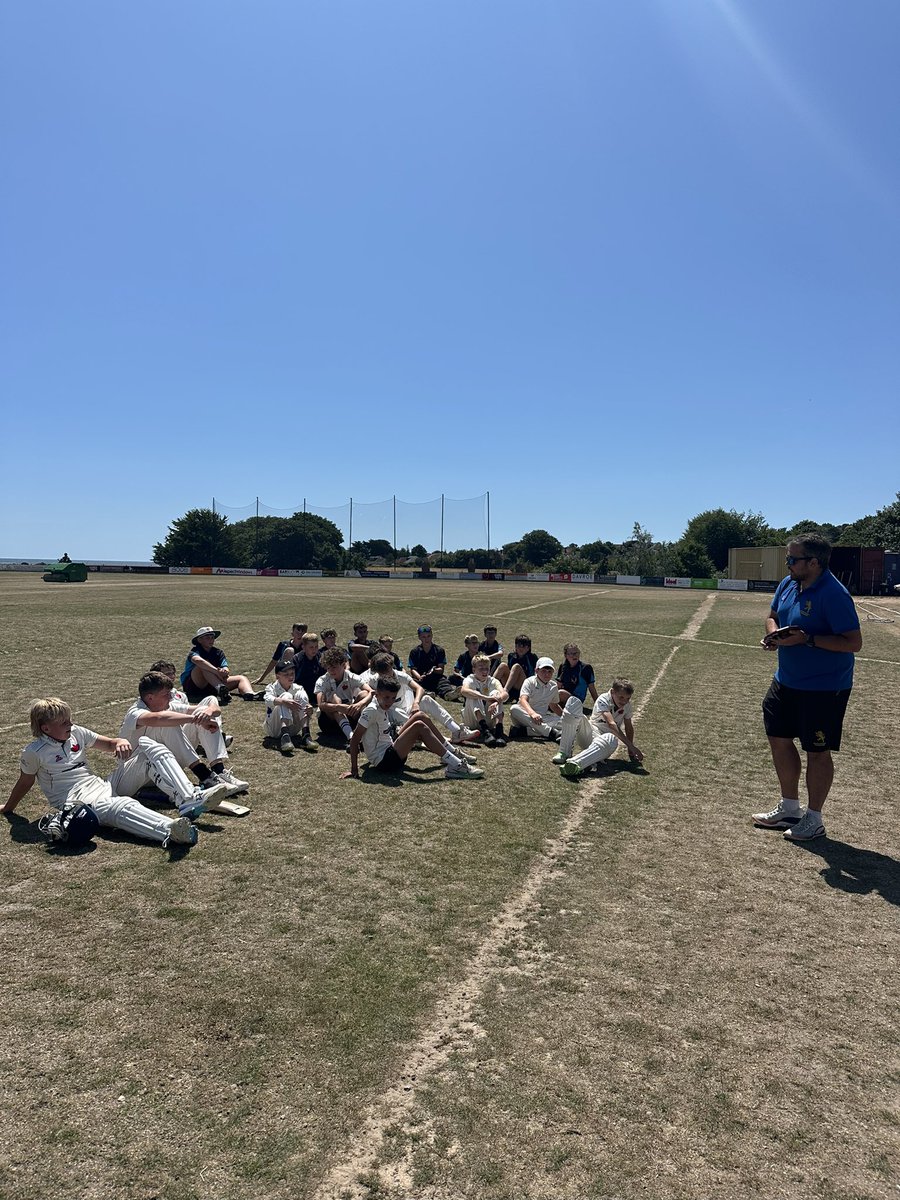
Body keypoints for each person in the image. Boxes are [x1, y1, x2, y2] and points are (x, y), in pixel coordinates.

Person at [753, 534, 862, 842]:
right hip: (785, 680)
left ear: (814, 563)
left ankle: (814, 818)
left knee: (817, 750)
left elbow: (853, 642)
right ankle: (789, 807)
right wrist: (773, 635)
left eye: (792, 559)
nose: (787, 564)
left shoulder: (834, 594)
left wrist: (808, 639)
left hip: (824, 689)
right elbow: (772, 616)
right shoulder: (789, 584)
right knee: (779, 739)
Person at [1, 698, 212, 848]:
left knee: (150, 747)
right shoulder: (33, 752)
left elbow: (109, 743)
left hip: (105, 784)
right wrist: (9, 808)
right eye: (64, 722)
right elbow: (24, 782)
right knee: (121, 805)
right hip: (78, 802)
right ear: (45, 728)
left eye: (69, 719)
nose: (71, 724)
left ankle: (188, 799)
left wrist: (120, 742)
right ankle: (172, 831)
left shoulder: (77, 733)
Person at [115, 672, 249, 804]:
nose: (171, 698)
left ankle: (218, 771)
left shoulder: (165, 705)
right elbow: (159, 719)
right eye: (166, 695)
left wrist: (207, 713)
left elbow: (212, 706)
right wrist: (196, 719)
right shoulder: (135, 712)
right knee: (169, 722)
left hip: (165, 763)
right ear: (150, 698)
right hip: (140, 772)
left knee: (208, 703)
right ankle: (205, 776)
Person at [342, 679, 483, 781]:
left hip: (391, 747)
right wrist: (354, 770)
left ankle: (453, 753)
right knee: (419, 727)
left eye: (392, 698)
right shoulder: (371, 710)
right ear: (376, 693)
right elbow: (355, 739)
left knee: (419, 715)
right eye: (386, 697)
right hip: (385, 761)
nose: (389, 701)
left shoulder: (380, 704)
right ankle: (456, 766)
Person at [361, 651, 479, 746]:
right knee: (394, 711)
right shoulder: (374, 680)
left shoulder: (400, 676)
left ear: (392, 666)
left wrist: (416, 703)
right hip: (390, 717)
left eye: (387, 671)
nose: (386, 675)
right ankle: (437, 739)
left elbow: (419, 689)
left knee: (426, 699)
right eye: (382, 673)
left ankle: (457, 731)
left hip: (406, 709)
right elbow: (360, 684)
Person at [559, 678, 643, 776]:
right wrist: (631, 747)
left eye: (628, 698)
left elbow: (629, 727)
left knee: (611, 738)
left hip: (605, 743)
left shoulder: (627, 706)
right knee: (573, 704)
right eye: (621, 697)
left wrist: (630, 748)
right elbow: (611, 724)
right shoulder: (603, 699)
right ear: (612, 692)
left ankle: (575, 763)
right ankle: (564, 752)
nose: (624, 701)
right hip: (589, 734)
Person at [149, 660, 235, 754]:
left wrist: (207, 713)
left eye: (172, 673)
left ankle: (216, 731)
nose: (171, 676)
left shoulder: (180, 695)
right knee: (202, 712)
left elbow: (189, 712)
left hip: (186, 732)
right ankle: (216, 738)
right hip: (170, 735)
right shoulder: (153, 697)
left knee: (211, 700)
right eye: (167, 674)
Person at [181, 627, 264, 705]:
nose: (211, 640)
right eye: (207, 638)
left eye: (212, 637)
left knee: (241, 678)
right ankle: (220, 689)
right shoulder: (194, 651)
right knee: (203, 666)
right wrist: (217, 672)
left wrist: (224, 671)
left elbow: (225, 666)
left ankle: (250, 694)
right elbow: (197, 660)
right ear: (199, 640)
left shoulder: (218, 652)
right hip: (194, 685)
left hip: (212, 684)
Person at [314, 648, 372, 743]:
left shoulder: (351, 677)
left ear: (343, 664)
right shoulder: (322, 680)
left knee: (364, 694)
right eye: (328, 667)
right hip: (328, 722)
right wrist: (339, 707)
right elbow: (320, 705)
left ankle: (361, 733)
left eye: (334, 667)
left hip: (349, 716)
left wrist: (359, 704)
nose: (331, 671)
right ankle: (351, 738)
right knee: (334, 698)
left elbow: (371, 692)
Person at [264, 659, 316, 754]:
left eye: (292, 673)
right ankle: (285, 737)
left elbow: (305, 705)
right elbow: (267, 700)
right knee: (286, 697)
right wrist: (283, 701)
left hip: (293, 728)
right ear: (277, 676)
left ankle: (306, 735)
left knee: (301, 694)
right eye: (286, 674)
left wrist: (309, 708)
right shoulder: (271, 687)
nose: (290, 676)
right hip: (274, 729)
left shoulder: (298, 688)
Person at [459, 654, 509, 746]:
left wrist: (497, 700)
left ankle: (499, 732)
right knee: (474, 694)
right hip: (472, 721)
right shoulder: (469, 679)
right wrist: (486, 698)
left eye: (487, 668)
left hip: (489, 717)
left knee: (497, 694)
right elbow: (463, 691)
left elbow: (505, 694)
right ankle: (485, 732)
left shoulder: (493, 681)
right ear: (474, 669)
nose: (485, 671)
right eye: (481, 668)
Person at [509, 657, 563, 739]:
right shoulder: (529, 682)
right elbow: (523, 700)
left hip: (543, 718)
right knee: (514, 709)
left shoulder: (553, 686)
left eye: (549, 671)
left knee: (567, 723)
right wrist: (532, 714)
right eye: (543, 671)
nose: (547, 674)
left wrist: (565, 717)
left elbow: (554, 706)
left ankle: (524, 731)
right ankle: (551, 732)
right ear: (536, 670)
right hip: (525, 716)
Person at [408, 625, 458, 700]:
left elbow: (441, 669)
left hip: (436, 677)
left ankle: (448, 694)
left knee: (443, 682)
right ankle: (425, 693)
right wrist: (419, 677)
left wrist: (434, 670)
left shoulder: (439, 650)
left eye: (428, 636)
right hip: (421, 678)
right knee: (412, 683)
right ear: (419, 637)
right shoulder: (414, 652)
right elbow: (413, 669)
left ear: (432, 636)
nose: (426, 639)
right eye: (423, 637)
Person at [494, 635, 538, 701]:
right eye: (518, 645)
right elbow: (510, 673)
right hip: (512, 684)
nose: (521, 648)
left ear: (528, 648)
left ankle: (505, 692)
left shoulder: (532, 657)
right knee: (503, 665)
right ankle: (489, 686)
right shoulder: (511, 656)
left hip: (525, 684)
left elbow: (532, 674)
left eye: (524, 646)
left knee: (516, 667)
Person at [291, 633, 326, 704]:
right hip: (302, 691)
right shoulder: (297, 659)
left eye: (316, 647)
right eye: (311, 647)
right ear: (303, 647)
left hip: (318, 690)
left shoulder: (321, 657)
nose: (314, 650)